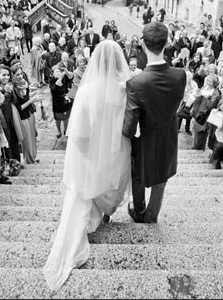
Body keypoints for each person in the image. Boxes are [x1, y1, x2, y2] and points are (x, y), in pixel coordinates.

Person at [43, 40, 132, 290]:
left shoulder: (87, 90)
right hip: (117, 150)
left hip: (90, 149)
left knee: (88, 184)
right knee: (109, 180)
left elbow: (78, 134)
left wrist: (87, 157)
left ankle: (94, 215)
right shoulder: (126, 88)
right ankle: (103, 214)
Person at [123, 22, 186, 224]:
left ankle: (138, 209)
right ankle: (151, 215)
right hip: (168, 138)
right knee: (161, 179)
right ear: (168, 42)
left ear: (141, 43)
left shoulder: (136, 83)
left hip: (143, 142)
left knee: (138, 175)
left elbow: (130, 127)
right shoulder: (180, 75)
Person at [10, 63, 41, 164]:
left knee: (32, 137)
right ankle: (29, 160)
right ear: (13, 76)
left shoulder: (24, 83)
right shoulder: (13, 89)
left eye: (21, 74)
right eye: (17, 74)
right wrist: (32, 100)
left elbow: (25, 98)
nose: (20, 76)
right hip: (22, 117)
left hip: (29, 114)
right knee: (26, 141)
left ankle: (33, 156)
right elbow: (20, 107)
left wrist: (33, 94)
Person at [49, 65, 73, 138]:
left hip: (65, 101)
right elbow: (55, 88)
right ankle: (58, 130)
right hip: (57, 102)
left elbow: (71, 78)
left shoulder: (64, 77)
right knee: (58, 119)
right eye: (56, 71)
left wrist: (66, 71)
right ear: (53, 73)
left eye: (59, 71)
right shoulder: (52, 80)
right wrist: (60, 77)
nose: (58, 72)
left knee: (66, 118)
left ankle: (66, 130)